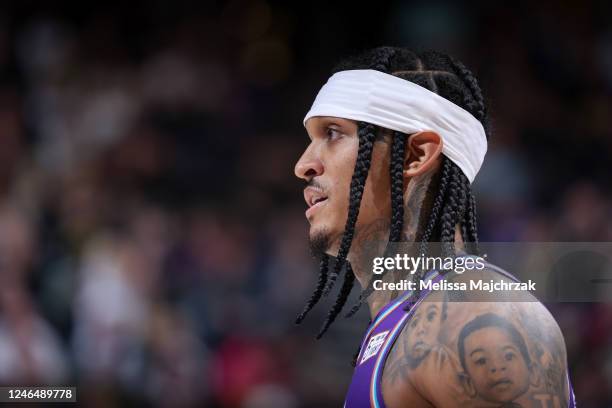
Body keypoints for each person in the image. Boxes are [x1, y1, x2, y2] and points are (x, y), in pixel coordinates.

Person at [293, 47, 576, 407]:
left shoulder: (476, 318)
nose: (303, 165)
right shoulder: (409, 321)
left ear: (417, 156)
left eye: (333, 133)